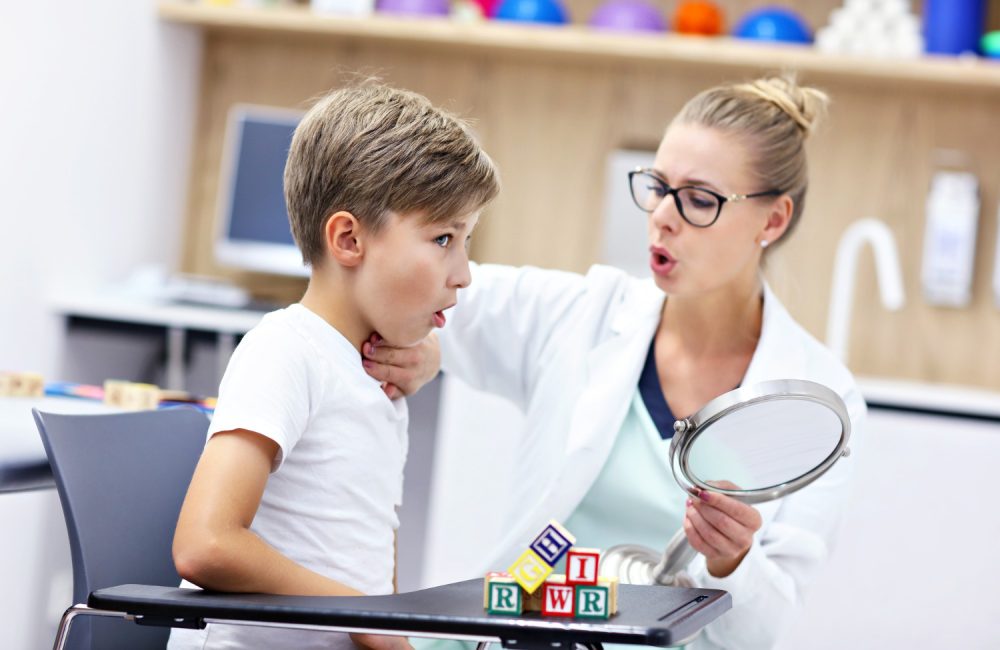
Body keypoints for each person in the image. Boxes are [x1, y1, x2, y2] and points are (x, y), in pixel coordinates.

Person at [362, 75, 867, 649]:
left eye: (700, 200)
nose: (663, 216)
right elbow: (415, 284)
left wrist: (733, 562)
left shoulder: (819, 396)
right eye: (658, 186)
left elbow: (762, 633)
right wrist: (426, 341)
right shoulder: (586, 313)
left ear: (772, 220)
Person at [167, 83, 499, 650]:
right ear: (348, 239)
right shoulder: (286, 352)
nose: (464, 273)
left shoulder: (374, 377)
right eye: (444, 238)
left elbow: (364, 561)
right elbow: (205, 544)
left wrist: (385, 624)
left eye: (466, 240)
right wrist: (365, 617)